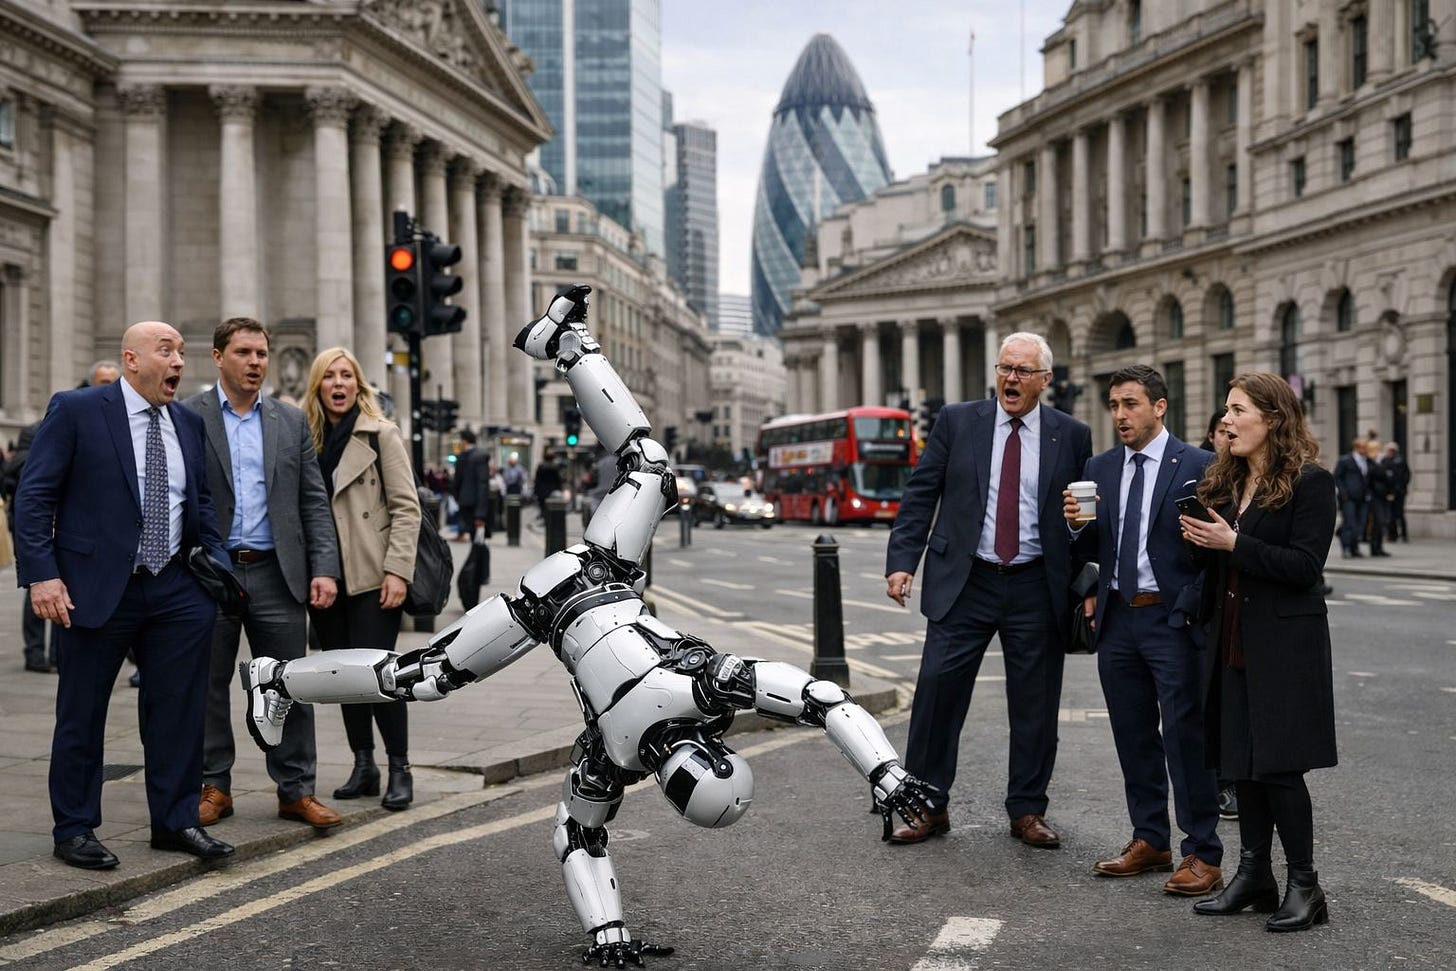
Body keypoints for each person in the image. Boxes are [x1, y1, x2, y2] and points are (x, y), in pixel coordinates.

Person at [14, 321, 235, 868]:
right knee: (82, 712)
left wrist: (216, 569)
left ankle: (176, 820)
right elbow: (34, 497)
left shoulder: (186, 421)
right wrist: (43, 576)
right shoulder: (77, 410)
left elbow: (201, 504)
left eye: (183, 352)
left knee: (178, 713)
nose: (179, 361)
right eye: (167, 351)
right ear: (132, 360)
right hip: (96, 588)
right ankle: (74, 828)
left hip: (177, 590)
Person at [885, 332, 1093, 847]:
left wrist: (1087, 572)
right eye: (1005, 368)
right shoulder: (958, 421)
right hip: (967, 579)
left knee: (1036, 705)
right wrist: (902, 562)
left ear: (1046, 380)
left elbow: (1086, 520)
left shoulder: (1072, 434)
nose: (1012, 379)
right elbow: (921, 493)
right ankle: (927, 805)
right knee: (936, 693)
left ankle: (1027, 809)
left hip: (1036, 584)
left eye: (1024, 371)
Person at [1181, 372, 1337, 932]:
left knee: (1278, 769)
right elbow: (1215, 567)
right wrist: (1201, 542)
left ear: (1272, 419)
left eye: (1238, 409)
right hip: (1232, 641)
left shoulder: (1311, 483)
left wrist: (1234, 544)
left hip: (1284, 647)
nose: (1226, 420)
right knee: (1240, 765)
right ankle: (1254, 875)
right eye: (1225, 410)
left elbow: (1303, 566)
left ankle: (1305, 886)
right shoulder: (1226, 481)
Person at [1063, 366, 1222, 896]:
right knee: (1133, 735)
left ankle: (1202, 851)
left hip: (1170, 619)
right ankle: (1149, 839)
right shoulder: (1100, 467)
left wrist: (1190, 607)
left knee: (1184, 736)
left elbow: (1212, 554)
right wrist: (1076, 526)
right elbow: (1089, 551)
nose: (1120, 415)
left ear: (1159, 407)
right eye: (1113, 405)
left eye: (1130, 404)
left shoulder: (1200, 465)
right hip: (1117, 619)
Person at [182, 318, 343, 831]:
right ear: (218, 357)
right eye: (245, 352)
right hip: (214, 574)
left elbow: (313, 502)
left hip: (278, 573)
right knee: (207, 685)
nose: (256, 362)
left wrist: (324, 568)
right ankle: (213, 786)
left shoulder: (288, 421)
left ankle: (296, 789)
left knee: (289, 684)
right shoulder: (190, 417)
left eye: (262, 353)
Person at [303, 347, 421, 810]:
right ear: (318, 386)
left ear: (358, 385)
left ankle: (400, 768)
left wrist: (398, 571)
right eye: (329, 376)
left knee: (380, 677)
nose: (338, 384)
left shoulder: (380, 435)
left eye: (346, 375)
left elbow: (407, 508)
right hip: (327, 579)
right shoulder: (305, 439)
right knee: (342, 678)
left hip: (374, 576)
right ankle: (363, 765)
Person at [1332, 437, 1369, 558]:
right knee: (1349, 523)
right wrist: (1344, 493)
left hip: (1363, 497)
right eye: (1363, 447)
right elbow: (1337, 477)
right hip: (1349, 498)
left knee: (1360, 524)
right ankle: (1346, 548)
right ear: (1357, 447)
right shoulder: (1345, 460)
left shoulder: (1367, 461)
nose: (1365, 450)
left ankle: (1355, 547)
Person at [453, 429, 490, 542]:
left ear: (465, 441)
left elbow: (481, 484)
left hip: (470, 502)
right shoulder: (468, 456)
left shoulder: (474, 457)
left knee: (477, 539)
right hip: (469, 502)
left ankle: (476, 558)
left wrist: (480, 514)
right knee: (476, 539)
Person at [1363, 439, 1391, 557]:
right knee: (1378, 522)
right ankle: (1374, 547)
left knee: (1382, 522)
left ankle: (1379, 547)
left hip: (1382, 495)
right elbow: (1377, 474)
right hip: (1374, 496)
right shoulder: (1369, 462)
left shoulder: (1381, 462)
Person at [1382, 442, 1410, 542]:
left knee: (1399, 514)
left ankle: (1403, 534)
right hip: (1388, 492)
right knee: (1390, 515)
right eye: (1389, 450)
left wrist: (1398, 490)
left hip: (1398, 493)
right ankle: (1392, 535)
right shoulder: (1385, 461)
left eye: (1392, 451)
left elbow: (1405, 477)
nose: (1390, 452)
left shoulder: (1400, 461)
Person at [533, 452, 563, 518]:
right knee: (552, 506)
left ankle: (544, 516)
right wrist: (560, 489)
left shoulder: (541, 466)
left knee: (543, 505)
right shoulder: (555, 467)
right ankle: (549, 517)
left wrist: (535, 490)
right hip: (552, 489)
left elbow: (537, 479)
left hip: (542, 489)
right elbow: (558, 480)